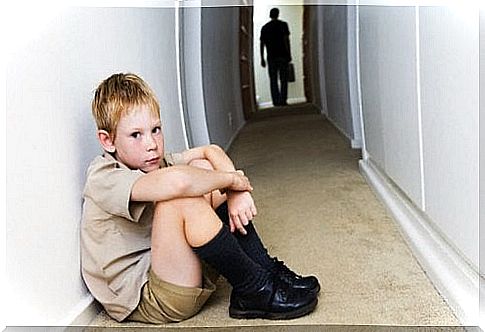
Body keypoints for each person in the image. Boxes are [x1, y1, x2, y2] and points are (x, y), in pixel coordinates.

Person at [80, 73, 320, 324]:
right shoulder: (103, 176)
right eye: (136, 135)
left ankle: (265, 270)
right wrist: (233, 181)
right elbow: (179, 183)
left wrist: (236, 192)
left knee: (202, 167)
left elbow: (211, 151)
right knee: (181, 196)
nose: (151, 144)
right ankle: (254, 288)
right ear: (107, 141)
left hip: (175, 272)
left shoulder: (154, 163)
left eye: (156, 130)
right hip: (148, 297)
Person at [260, 7, 292, 107]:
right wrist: (289, 54)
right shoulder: (283, 25)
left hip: (271, 57)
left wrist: (262, 58)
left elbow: (262, 44)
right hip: (282, 55)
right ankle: (283, 100)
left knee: (273, 80)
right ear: (278, 14)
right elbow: (286, 40)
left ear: (270, 15)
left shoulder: (265, 27)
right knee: (283, 79)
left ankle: (276, 102)